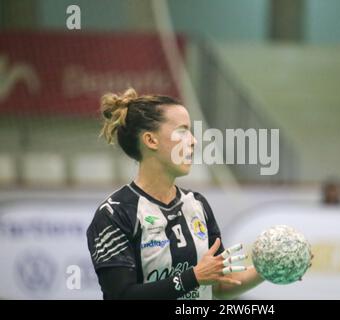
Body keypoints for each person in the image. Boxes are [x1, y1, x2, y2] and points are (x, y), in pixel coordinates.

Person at [86, 88, 269, 300]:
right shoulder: (115, 213)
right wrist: (193, 277)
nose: (193, 141)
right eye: (182, 131)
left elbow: (218, 286)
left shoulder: (197, 205)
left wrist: (268, 269)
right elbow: (122, 295)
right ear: (151, 140)